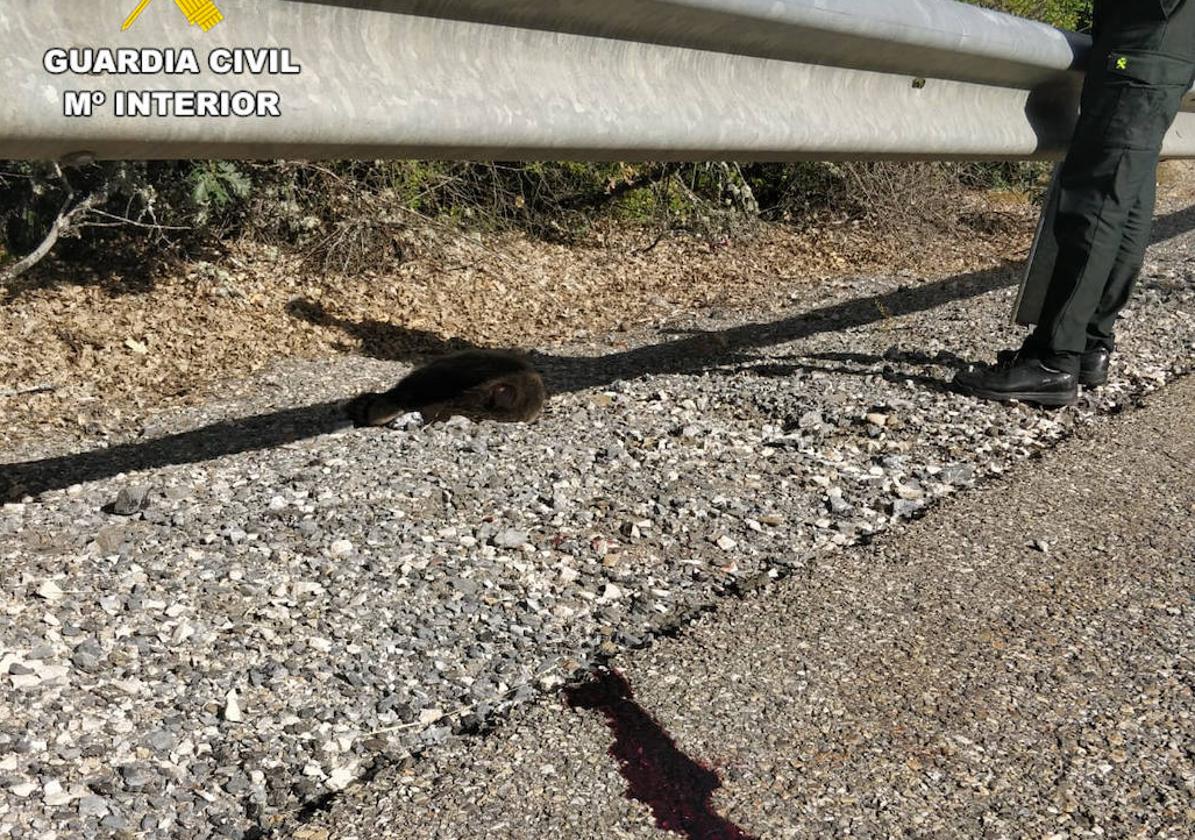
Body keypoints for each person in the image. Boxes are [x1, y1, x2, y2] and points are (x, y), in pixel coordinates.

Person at [955, 0, 1195, 407]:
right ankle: (1088, 344)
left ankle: (1054, 359)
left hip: (1142, 34)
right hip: (1167, 38)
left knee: (1096, 198)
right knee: (1126, 196)